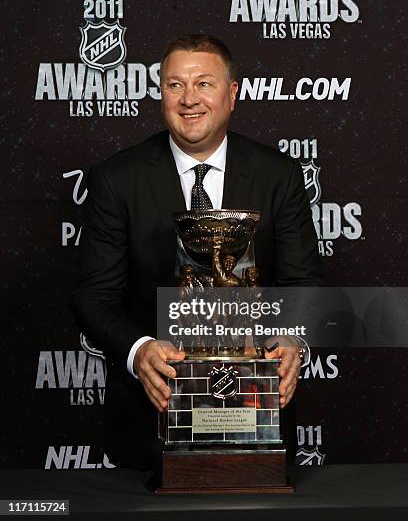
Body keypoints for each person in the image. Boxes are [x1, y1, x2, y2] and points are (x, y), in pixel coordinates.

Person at [72, 34, 322, 470]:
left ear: (232, 94)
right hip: (150, 421)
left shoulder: (278, 175)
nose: (189, 99)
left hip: (255, 414)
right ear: (161, 93)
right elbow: (93, 296)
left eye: (204, 83)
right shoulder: (116, 179)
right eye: (174, 85)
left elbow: (303, 282)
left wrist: (293, 338)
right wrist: (139, 350)